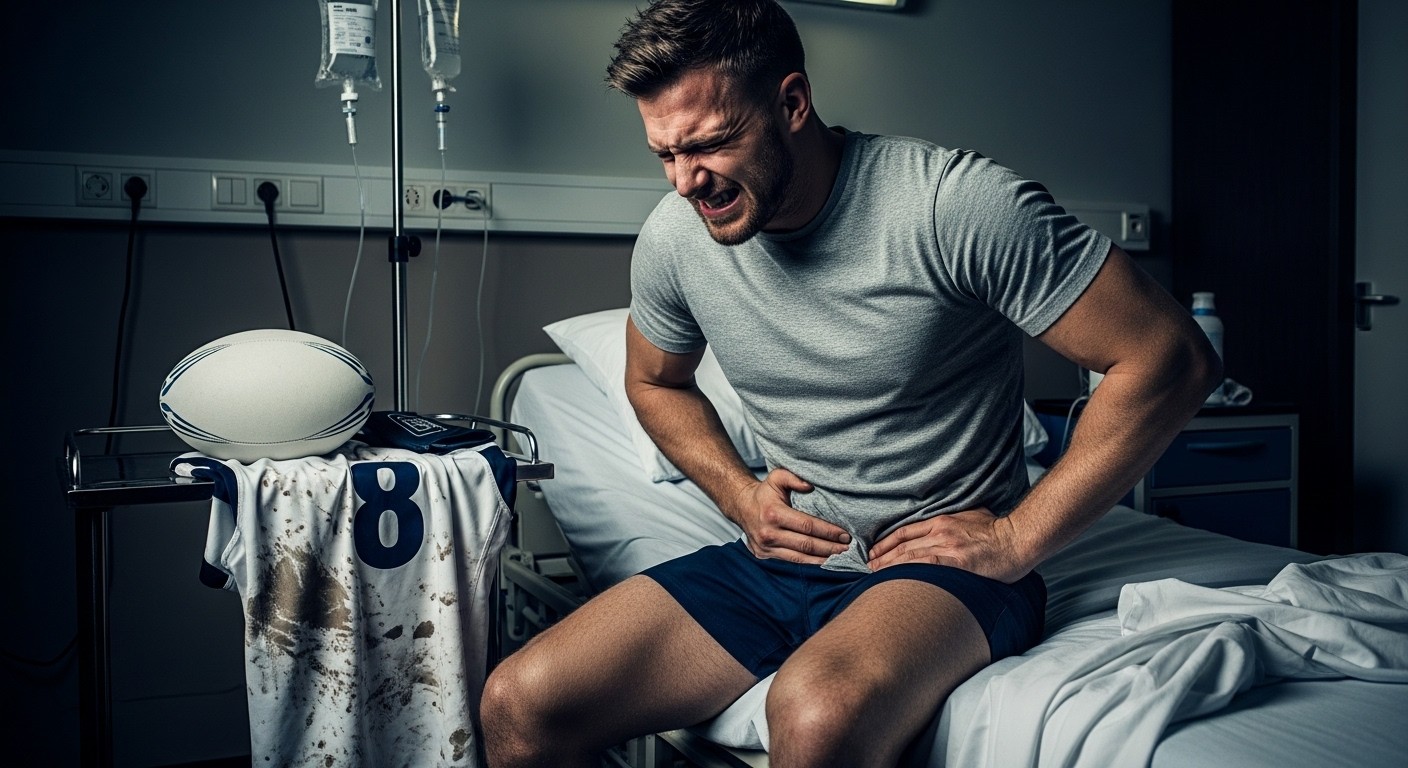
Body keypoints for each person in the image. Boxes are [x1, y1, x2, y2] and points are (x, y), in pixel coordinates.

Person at [479, 1, 1221, 766]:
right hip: (780, 566)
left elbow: (1170, 358)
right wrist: (739, 496)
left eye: (709, 144)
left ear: (793, 102)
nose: (687, 181)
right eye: (664, 154)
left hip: (937, 570)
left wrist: (1014, 539)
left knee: (813, 714)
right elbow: (654, 381)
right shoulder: (676, 237)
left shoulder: (952, 204)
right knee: (518, 701)